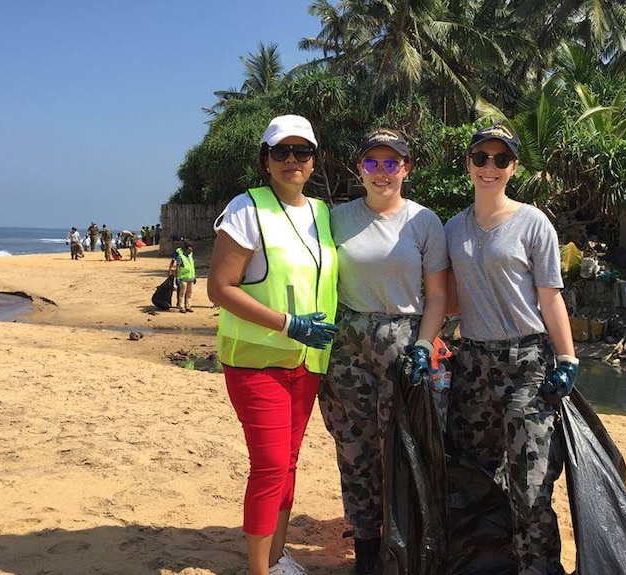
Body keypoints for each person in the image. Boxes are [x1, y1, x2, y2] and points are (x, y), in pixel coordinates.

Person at [206, 114, 338, 575]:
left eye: (302, 152)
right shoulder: (246, 208)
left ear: (315, 160)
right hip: (257, 362)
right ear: (266, 161)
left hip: (308, 362)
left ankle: (279, 558)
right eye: (280, 152)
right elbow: (220, 288)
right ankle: (259, 570)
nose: (291, 160)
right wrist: (288, 324)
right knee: (269, 465)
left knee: (289, 463)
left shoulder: (323, 214)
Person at [444, 125, 578, 575]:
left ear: (513, 168)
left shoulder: (533, 222)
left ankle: (537, 569)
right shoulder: (451, 228)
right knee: (471, 475)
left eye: (501, 160)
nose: (490, 167)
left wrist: (568, 358)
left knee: (531, 481)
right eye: (480, 157)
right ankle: (483, 562)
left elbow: (550, 297)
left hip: (526, 364)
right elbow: (448, 297)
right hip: (472, 363)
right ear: (468, 164)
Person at [318, 128, 449, 574]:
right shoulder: (335, 219)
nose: (381, 172)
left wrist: (424, 345)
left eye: (391, 163)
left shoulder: (424, 222)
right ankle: (367, 553)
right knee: (355, 452)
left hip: (403, 345)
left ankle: (408, 549)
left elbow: (436, 297)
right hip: (347, 349)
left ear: (406, 169)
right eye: (372, 163)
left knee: (404, 450)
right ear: (359, 169)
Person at [168, 240, 196, 312]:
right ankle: (181, 306)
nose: (190, 251)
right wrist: (176, 276)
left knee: (189, 293)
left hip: (190, 277)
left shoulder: (190, 255)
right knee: (182, 293)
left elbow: (192, 266)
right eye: (189, 250)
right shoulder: (179, 254)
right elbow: (175, 264)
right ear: (186, 248)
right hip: (183, 278)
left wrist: (194, 277)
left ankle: (188, 306)